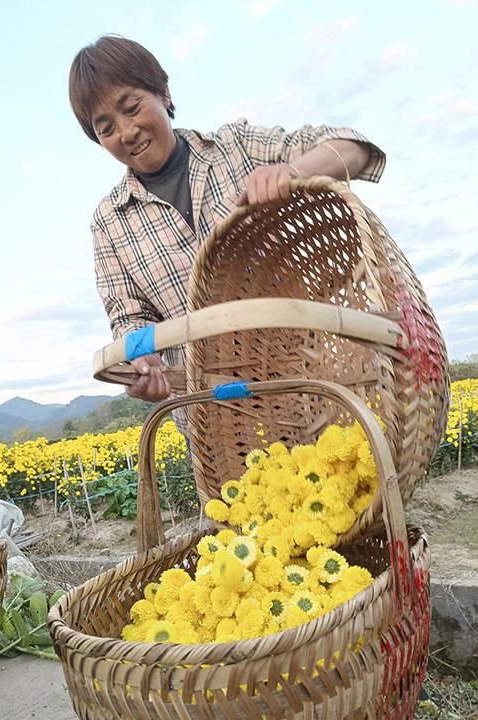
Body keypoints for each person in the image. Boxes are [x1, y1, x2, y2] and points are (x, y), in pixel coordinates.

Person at [68, 35, 386, 428]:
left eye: (132, 108)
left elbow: (354, 149)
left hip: (312, 389)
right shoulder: (110, 221)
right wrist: (141, 361)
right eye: (105, 129)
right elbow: (129, 316)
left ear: (164, 92)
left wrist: (292, 172)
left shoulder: (235, 149)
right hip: (216, 425)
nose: (126, 132)